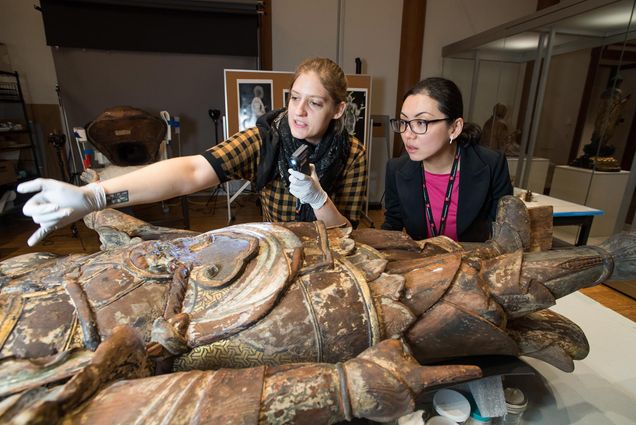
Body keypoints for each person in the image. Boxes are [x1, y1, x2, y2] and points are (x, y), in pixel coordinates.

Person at [17, 57, 367, 246]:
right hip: (275, 251)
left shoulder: (352, 153)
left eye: (315, 103)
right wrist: (94, 195)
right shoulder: (266, 140)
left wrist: (319, 200)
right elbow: (191, 171)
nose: (299, 112)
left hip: (330, 257)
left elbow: (346, 232)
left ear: (337, 109)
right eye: (294, 98)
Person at [382, 77, 513, 242]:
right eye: (404, 122)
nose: (408, 134)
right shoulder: (396, 169)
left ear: (455, 128)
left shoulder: (491, 165)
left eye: (421, 122)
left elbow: (504, 233)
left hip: (474, 262)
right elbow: (392, 224)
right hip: (423, 263)